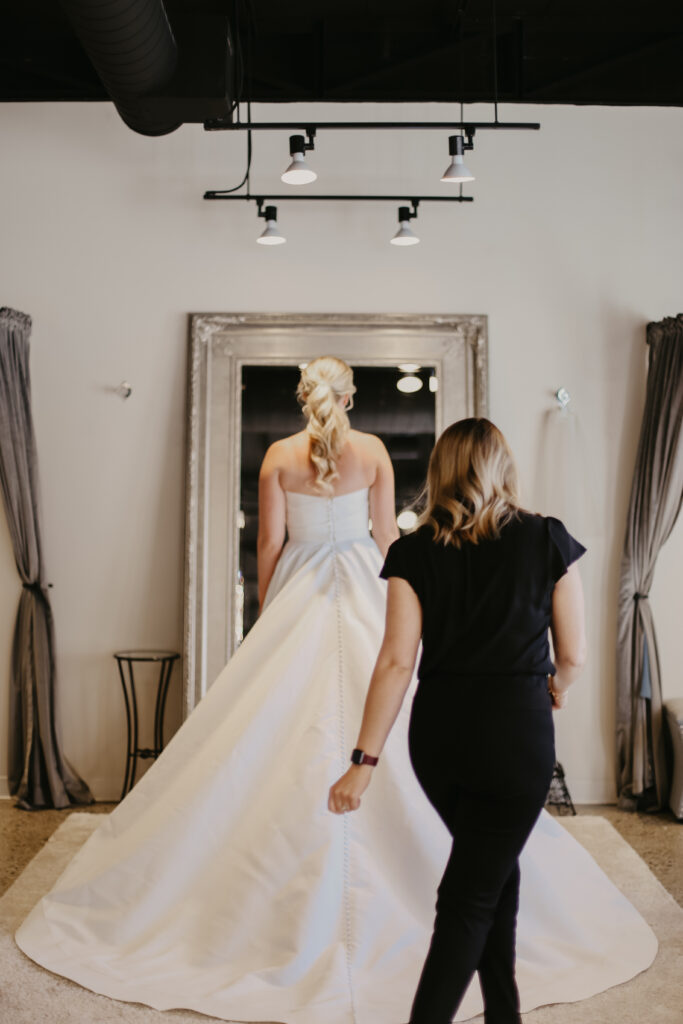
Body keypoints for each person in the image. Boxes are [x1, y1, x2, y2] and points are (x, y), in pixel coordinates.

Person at [15, 362, 656, 1024]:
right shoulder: (388, 462)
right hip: (415, 634)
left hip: (351, 642)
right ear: (348, 397)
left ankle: (499, 1005)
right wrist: (430, 609)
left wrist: (273, 615)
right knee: (482, 867)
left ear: (305, 398)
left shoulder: (284, 461)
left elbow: (269, 544)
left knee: (281, 748)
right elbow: (387, 543)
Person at [327, 417, 610, 1022]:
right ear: (503, 467)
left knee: (488, 876)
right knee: (472, 894)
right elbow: (576, 654)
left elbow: (397, 662)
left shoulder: (412, 550)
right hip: (517, 737)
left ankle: (503, 1012)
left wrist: (363, 762)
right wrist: (556, 687)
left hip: (440, 741)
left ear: (440, 472)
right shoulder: (548, 539)